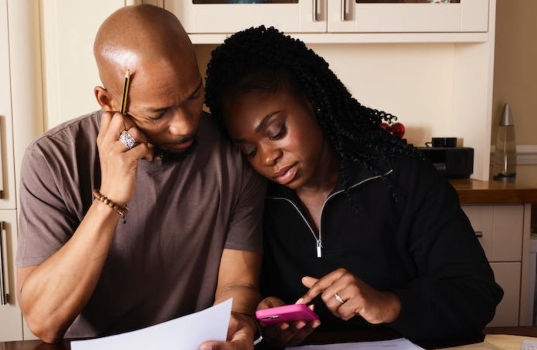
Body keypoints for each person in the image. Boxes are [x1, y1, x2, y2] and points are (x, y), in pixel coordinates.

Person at [204, 26, 503, 348]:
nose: (267, 157)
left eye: (276, 131)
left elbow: (477, 296)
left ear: (312, 101)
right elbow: (244, 296)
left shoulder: (401, 177)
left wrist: (389, 304)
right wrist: (266, 320)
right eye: (247, 150)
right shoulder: (253, 198)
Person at [15, 5, 266, 349]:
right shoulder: (51, 160)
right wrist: (111, 198)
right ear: (108, 101)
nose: (184, 125)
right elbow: (44, 322)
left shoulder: (233, 151)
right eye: (158, 113)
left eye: (193, 96)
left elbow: (237, 285)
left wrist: (236, 325)